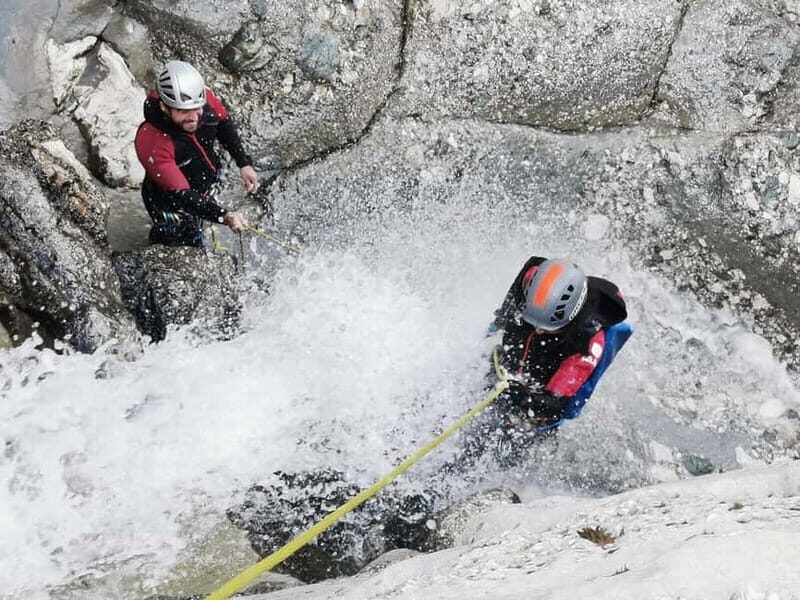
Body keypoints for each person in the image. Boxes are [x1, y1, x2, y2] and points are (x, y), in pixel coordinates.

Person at [454, 256, 632, 470]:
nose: (538, 330)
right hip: (537, 341)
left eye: (547, 327)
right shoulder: (532, 278)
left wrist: (525, 398)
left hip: (558, 370)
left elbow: (557, 405)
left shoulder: (587, 343)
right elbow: (504, 318)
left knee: (521, 430)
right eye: (535, 323)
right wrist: (495, 337)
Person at [134, 60, 258, 247]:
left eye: (196, 109)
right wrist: (224, 216)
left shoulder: (204, 99)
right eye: (183, 111)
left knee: (201, 217)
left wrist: (244, 163)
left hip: (202, 177)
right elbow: (182, 194)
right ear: (164, 107)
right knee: (184, 240)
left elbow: (224, 125)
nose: (193, 117)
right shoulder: (152, 141)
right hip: (171, 202)